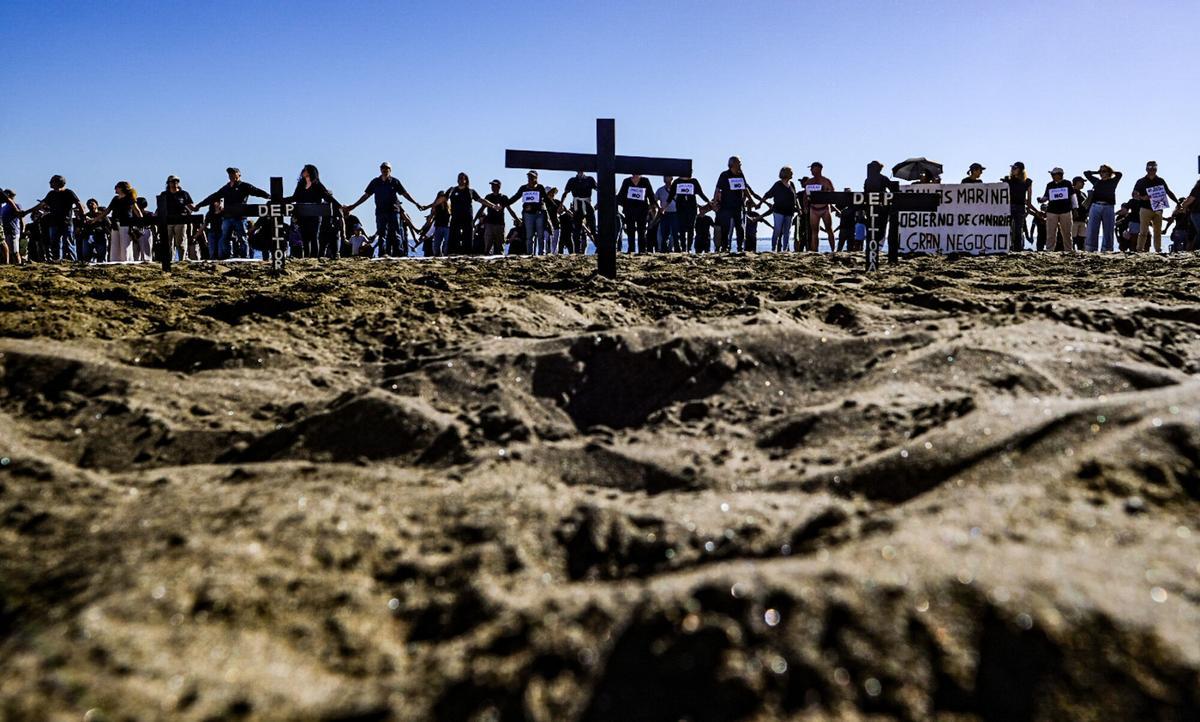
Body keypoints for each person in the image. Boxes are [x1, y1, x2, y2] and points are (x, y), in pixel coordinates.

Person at [343, 162, 422, 258]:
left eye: (387, 168)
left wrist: (416, 203)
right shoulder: (375, 182)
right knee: (382, 234)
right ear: (380, 169)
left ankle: (399, 254)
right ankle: (382, 254)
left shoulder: (395, 182)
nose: (385, 170)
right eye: (383, 168)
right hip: (380, 212)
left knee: (396, 233)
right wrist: (354, 205)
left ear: (390, 170)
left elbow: (405, 194)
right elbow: (366, 195)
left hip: (393, 211)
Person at [191, 168, 270, 261]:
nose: (231, 175)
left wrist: (269, 196)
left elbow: (257, 191)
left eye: (233, 173)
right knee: (225, 238)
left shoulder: (244, 186)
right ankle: (227, 257)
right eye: (230, 174)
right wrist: (199, 205)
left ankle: (245, 257)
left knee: (242, 238)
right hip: (227, 218)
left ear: (239, 175)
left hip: (240, 218)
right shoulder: (226, 188)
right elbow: (213, 197)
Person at [20, 175, 86, 262]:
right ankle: (57, 261)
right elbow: (40, 205)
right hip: (54, 223)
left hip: (66, 223)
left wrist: (83, 217)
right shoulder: (51, 194)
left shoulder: (69, 193)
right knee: (55, 243)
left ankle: (73, 261)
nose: (50, 183)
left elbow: (78, 204)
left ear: (58, 182)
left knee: (69, 242)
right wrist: (26, 212)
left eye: (52, 181)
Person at [285, 164, 339, 259]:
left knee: (314, 237)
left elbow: (327, 197)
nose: (303, 171)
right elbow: (294, 197)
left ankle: (314, 258)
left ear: (310, 172)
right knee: (305, 238)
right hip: (302, 215)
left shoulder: (317, 184)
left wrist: (339, 206)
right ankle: (306, 257)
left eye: (305, 170)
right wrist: (281, 200)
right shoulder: (301, 184)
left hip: (315, 215)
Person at [713, 156, 762, 253]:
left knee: (740, 228)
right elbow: (717, 189)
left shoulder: (740, 175)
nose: (740, 164)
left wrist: (751, 200)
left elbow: (745, 188)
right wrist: (715, 203)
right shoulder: (724, 175)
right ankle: (725, 247)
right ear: (733, 164)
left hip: (738, 206)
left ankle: (740, 247)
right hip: (726, 206)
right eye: (739, 163)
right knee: (725, 228)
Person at [440, 172, 495, 256]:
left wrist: (493, 206)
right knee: (453, 235)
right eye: (459, 178)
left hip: (467, 217)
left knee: (467, 236)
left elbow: (481, 200)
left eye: (462, 178)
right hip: (455, 217)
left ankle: (467, 253)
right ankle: (453, 253)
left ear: (466, 180)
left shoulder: (470, 191)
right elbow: (442, 199)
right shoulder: (452, 190)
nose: (461, 180)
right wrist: (430, 206)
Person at [1132, 161, 1178, 253]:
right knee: (1143, 231)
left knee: (1157, 231)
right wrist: (1142, 197)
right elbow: (1134, 194)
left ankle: (1158, 250)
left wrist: (1178, 202)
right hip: (1145, 209)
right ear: (1146, 169)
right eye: (1150, 168)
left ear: (1156, 169)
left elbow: (1168, 192)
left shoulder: (1160, 180)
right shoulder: (1141, 181)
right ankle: (1139, 249)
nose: (1152, 170)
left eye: (1154, 168)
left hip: (1158, 209)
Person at [93, 181, 144, 262]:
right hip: (115, 224)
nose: (115, 189)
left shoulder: (129, 198)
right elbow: (107, 211)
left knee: (125, 245)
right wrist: (95, 219)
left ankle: (127, 261)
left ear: (121, 188)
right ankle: (115, 261)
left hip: (126, 224)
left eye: (116, 187)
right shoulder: (115, 199)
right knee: (115, 245)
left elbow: (136, 210)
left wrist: (141, 221)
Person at [863, 161, 901, 261]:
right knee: (880, 231)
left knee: (873, 231)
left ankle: (873, 249)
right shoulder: (882, 178)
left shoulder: (868, 180)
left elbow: (865, 193)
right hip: (881, 209)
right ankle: (875, 249)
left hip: (872, 209)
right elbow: (892, 189)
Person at [507, 171, 553, 256]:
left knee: (540, 235)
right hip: (528, 214)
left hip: (539, 213)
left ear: (536, 178)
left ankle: (541, 253)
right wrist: (506, 203)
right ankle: (529, 253)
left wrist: (555, 206)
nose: (530, 179)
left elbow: (546, 199)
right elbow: (516, 197)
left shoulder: (540, 187)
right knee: (529, 235)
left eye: (532, 177)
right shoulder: (523, 188)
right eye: (529, 177)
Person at [1083, 164, 1123, 253]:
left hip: (1108, 207)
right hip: (1095, 206)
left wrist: (1110, 172)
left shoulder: (1113, 181)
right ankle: (1091, 249)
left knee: (1108, 229)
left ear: (1109, 172)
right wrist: (1097, 172)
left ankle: (1107, 249)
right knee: (1092, 228)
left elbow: (1120, 174)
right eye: (1100, 171)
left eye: (1104, 171)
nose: (1101, 173)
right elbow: (1086, 173)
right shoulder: (1096, 181)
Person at [667, 174, 711, 253]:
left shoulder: (694, 181)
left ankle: (689, 248)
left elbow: (700, 193)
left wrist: (708, 201)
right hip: (681, 208)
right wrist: (664, 207)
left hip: (692, 208)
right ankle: (683, 248)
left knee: (691, 228)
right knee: (682, 229)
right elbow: (671, 196)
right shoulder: (677, 182)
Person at [761, 167, 800, 252]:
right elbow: (768, 194)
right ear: (786, 173)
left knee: (787, 231)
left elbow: (795, 198)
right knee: (777, 230)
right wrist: (762, 203)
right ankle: (773, 248)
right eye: (791, 172)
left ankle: (785, 249)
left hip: (789, 212)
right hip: (778, 211)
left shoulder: (792, 184)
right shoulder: (778, 184)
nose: (792, 173)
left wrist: (799, 208)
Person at [1036, 167, 1075, 253]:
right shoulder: (1050, 185)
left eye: (1053, 174)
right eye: (1052, 174)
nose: (1052, 176)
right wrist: (1041, 199)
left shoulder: (1067, 183)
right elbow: (1046, 196)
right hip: (1052, 211)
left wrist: (1075, 208)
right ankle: (1049, 250)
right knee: (1050, 232)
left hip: (1065, 211)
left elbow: (1073, 196)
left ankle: (1068, 250)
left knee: (1067, 232)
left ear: (1060, 175)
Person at [159, 175, 196, 261]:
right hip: (168, 220)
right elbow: (160, 207)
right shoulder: (164, 194)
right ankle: (169, 260)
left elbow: (191, 206)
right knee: (168, 242)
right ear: (168, 183)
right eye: (173, 181)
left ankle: (182, 260)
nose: (175, 183)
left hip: (181, 220)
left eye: (177, 181)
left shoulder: (184, 194)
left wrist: (195, 208)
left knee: (180, 242)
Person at [617, 174, 656, 253]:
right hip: (629, 211)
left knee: (641, 231)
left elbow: (651, 195)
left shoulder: (645, 181)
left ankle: (642, 250)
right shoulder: (626, 181)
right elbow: (621, 196)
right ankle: (631, 249)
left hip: (642, 211)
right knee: (630, 231)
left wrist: (652, 208)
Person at [562, 171, 598, 253]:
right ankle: (577, 251)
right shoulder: (572, 180)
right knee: (577, 230)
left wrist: (598, 204)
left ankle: (599, 247)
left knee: (593, 228)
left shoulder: (590, 179)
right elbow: (565, 193)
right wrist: (561, 204)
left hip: (587, 204)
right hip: (577, 206)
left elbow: (599, 190)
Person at [802, 162, 835, 252]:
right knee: (814, 231)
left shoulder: (826, 181)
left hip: (824, 208)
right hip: (813, 209)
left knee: (829, 229)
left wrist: (827, 197)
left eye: (812, 168)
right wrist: (805, 207)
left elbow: (832, 193)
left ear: (818, 169)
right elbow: (805, 196)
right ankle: (815, 251)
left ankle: (833, 250)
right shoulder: (809, 182)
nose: (811, 170)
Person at [478, 179, 516, 255]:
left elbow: (510, 209)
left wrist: (517, 219)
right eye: (492, 185)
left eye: (494, 185)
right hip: (489, 224)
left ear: (499, 187)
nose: (492, 187)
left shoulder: (503, 197)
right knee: (487, 247)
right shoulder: (488, 197)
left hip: (500, 225)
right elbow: (481, 209)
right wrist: (474, 219)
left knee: (500, 248)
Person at [1002, 162, 1034, 251]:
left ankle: (1017, 248)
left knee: (1018, 228)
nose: (1012, 170)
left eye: (1015, 168)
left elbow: (1029, 197)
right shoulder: (1007, 180)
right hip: (1008, 206)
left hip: (1020, 207)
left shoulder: (1027, 181)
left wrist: (1028, 209)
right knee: (1006, 227)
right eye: (1012, 168)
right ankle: (1006, 246)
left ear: (1020, 170)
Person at [654, 176, 680, 252]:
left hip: (675, 213)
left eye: (667, 177)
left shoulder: (677, 189)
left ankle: (676, 249)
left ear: (672, 178)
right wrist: (659, 208)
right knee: (664, 233)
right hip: (664, 214)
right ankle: (663, 249)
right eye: (664, 177)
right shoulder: (660, 190)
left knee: (675, 233)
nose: (665, 178)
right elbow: (654, 200)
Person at [0, 190, 24, 264]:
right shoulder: (4, 207)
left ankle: (17, 263)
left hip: (13, 231)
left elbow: (21, 218)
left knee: (15, 251)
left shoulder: (16, 205)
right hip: (6, 230)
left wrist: (23, 229)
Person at [1070, 176, 1088, 251]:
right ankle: (1071, 252)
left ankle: (1081, 252)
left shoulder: (1083, 194)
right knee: (1073, 238)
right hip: (1074, 219)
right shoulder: (1071, 192)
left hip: (1083, 219)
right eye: (1082, 182)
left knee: (1082, 239)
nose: (1083, 184)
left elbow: (1087, 205)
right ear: (1076, 182)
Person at [1183, 176, 1200, 251]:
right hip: (1197, 213)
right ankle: (1196, 248)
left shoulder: (1196, 189)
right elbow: (1190, 200)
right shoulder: (1197, 190)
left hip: (1196, 213)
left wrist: (1183, 205)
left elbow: (1189, 201)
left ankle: (1195, 249)